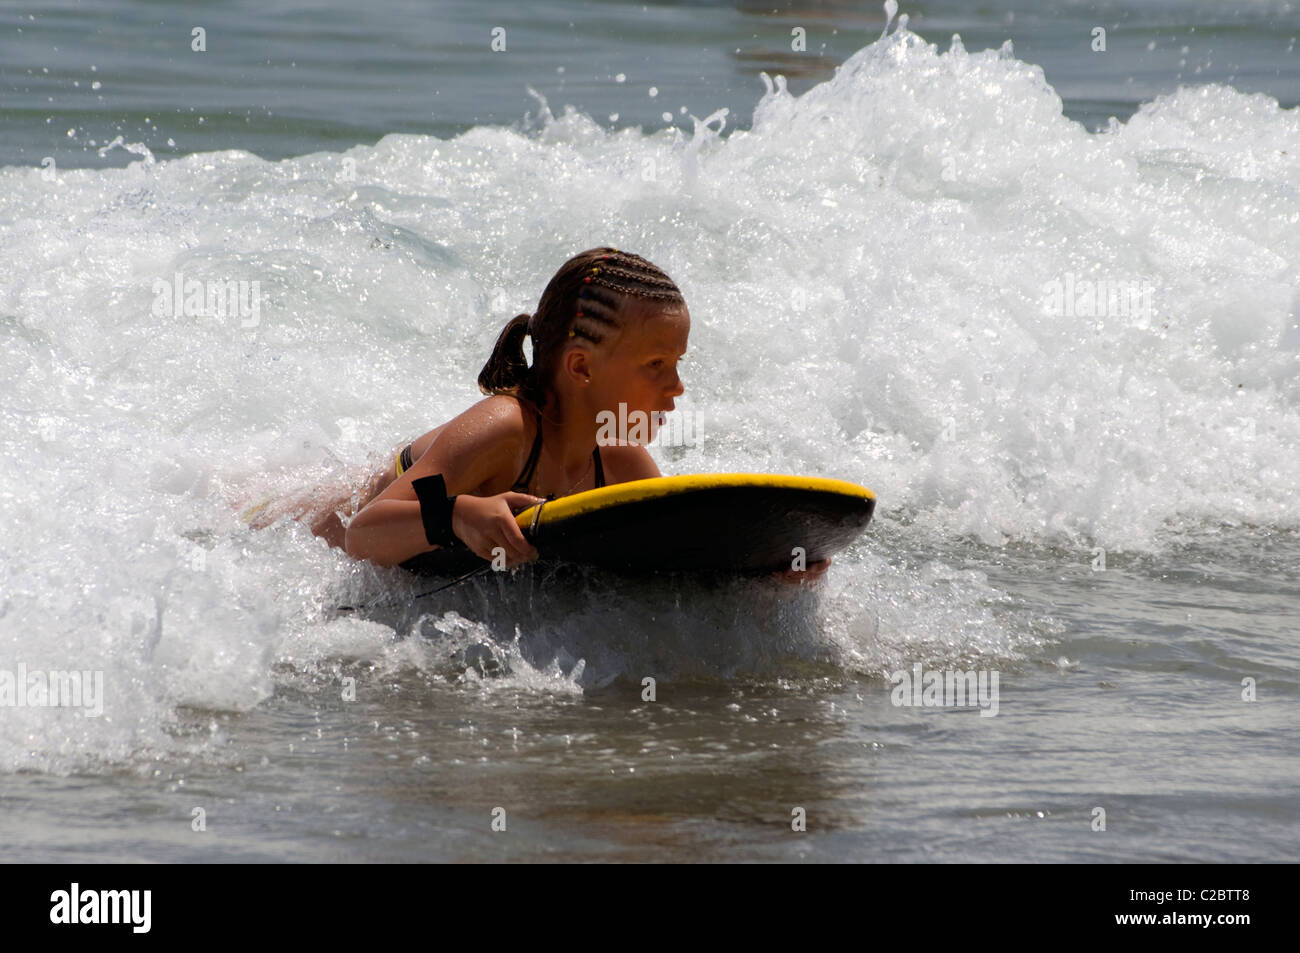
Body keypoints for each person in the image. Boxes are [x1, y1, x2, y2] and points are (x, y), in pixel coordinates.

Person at [250, 246, 829, 583]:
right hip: (295, 526)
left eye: (677, 364)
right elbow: (361, 535)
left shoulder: (617, 451)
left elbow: (666, 554)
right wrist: (458, 515)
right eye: (656, 364)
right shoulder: (505, 428)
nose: (676, 387)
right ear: (580, 368)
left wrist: (757, 575)